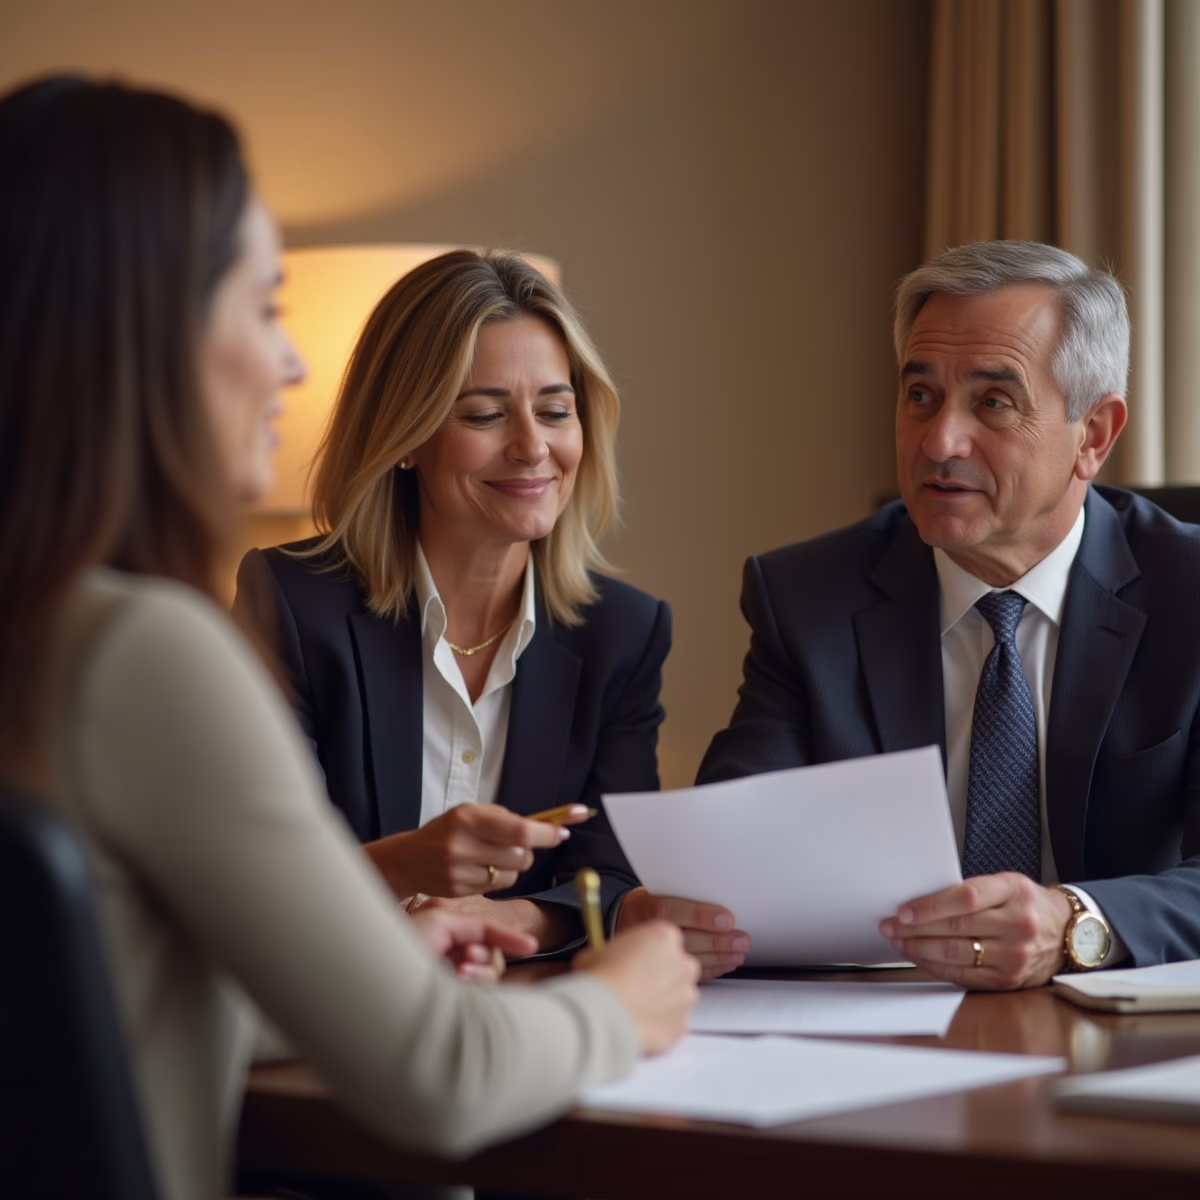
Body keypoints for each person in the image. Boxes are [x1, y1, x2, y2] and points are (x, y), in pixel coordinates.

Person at [0, 74, 698, 1200]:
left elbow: (100, 1004)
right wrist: (628, 997)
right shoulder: (145, 655)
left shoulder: (45, 636)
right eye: (263, 306)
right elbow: (442, 1076)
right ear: (145, 329)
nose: (287, 364)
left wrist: (345, 978)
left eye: (554, 406)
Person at [698, 239, 1200, 990]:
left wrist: (1077, 922)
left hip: (1119, 1029)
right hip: (879, 1020)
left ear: (1093, 435)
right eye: (921, 395)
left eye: (993, 402)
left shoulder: (1188, 590)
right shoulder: (808, 596)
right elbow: (735, 858)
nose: (939, 441)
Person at [235, 248, 729, 966]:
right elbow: (252, 875)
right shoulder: (291, 603)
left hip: (517, 1015)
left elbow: (613, 877)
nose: (533, 447)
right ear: (408, 437)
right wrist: (406, 865)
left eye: (556, 411)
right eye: (485, 414)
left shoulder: (622, 633)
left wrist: (506, 922)